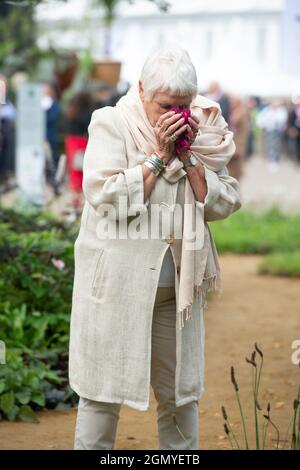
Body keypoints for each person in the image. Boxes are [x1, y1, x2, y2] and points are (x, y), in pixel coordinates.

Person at [68, 45, 242, 450]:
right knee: (101, 393)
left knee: (182, 396)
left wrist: (193, 161)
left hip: (176, 293)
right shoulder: (110, 123)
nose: (177, 115)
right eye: (166, 105)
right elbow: (106, 198)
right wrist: (158, 158)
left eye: (185, 104)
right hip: (115, 289)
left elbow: (226, 200)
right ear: (142, 89)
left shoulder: (203, 131)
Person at [64, 90, 95, 213]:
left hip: (71, 141)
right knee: (83, 169)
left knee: (74, 169)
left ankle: (75, 197)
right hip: (82, 141)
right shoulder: (88, 114)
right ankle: (80, 199)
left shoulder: (72, 111)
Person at [227, 95, 250, 180]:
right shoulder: (237, 111)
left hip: (239, 141)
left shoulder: (242, 111)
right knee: (233, 165)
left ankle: (236, 182)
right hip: (236, 140)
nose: (231, 104)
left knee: (236, 164)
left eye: (233, 102)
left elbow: (239, 126)